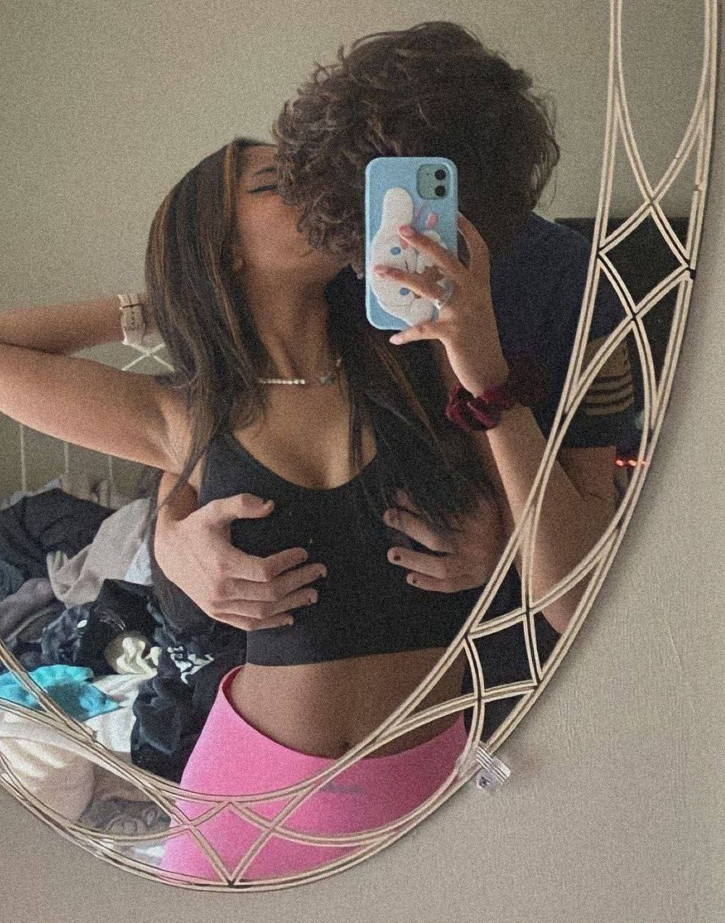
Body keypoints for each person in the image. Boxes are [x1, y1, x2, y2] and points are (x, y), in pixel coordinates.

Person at [150, 22, 637, 881]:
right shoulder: (342, 258)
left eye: (391, 187)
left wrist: (504, 524)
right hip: (287, 698)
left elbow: (576, 594)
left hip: (505, 703)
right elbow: (219, 393)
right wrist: (167, 527)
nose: (350, 222)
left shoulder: (575, 288)